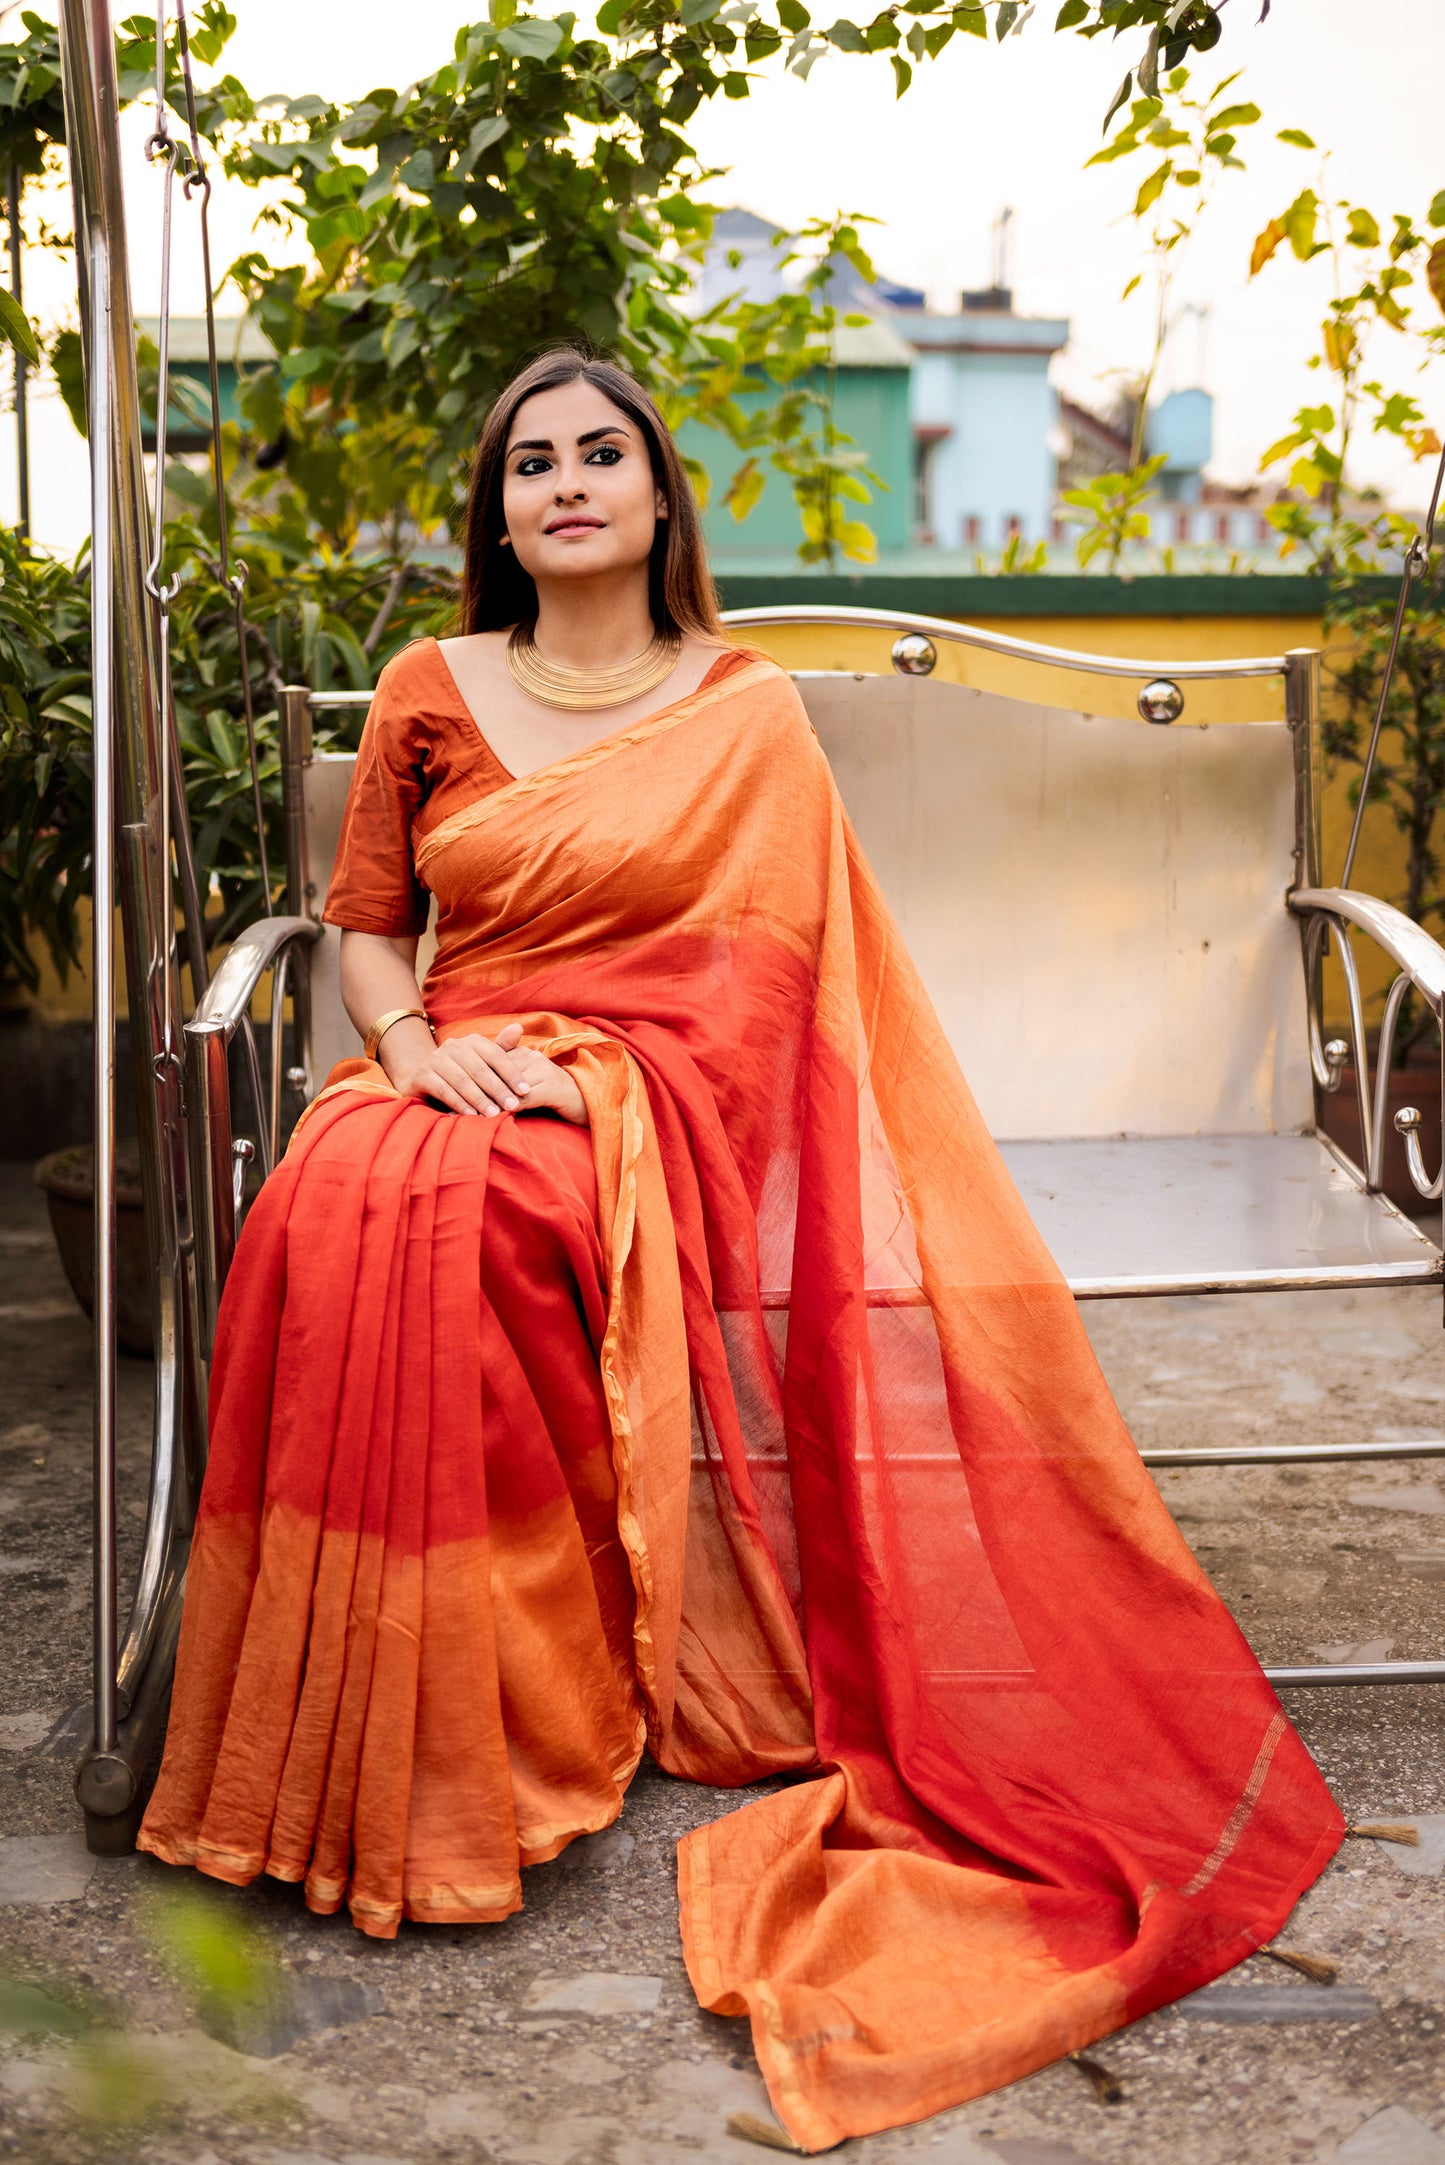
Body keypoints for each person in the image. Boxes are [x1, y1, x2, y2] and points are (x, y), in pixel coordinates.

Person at [139, 348, 1343, 2154]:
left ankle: (512, 1732)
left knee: (494, 1213)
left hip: (641, 1108)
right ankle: (382, 1724)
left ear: (654, 492)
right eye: (528, 460)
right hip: (451, 1061)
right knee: (341, 1199)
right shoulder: (430, 686)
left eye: (598, 453)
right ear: (499, 509)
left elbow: (767, 1000)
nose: (564, 482)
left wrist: (599, 1086)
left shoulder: (744, 710)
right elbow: (367, 930)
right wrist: (411, 1051)